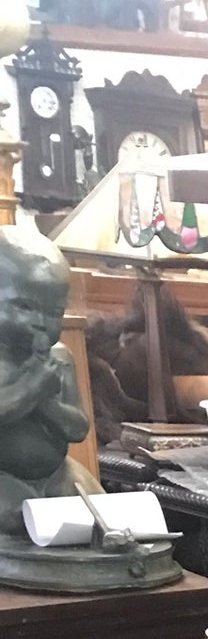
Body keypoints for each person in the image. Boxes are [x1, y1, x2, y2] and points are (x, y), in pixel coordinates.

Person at [0, 224, 97, 536]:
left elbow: (78, 428)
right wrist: (33, 389)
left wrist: (47, 403)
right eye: (24, 306)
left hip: (57, 474)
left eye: (54, 311)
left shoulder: (60, 359)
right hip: (4, 476)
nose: (41, 323)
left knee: (99, 513)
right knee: (19, 517)